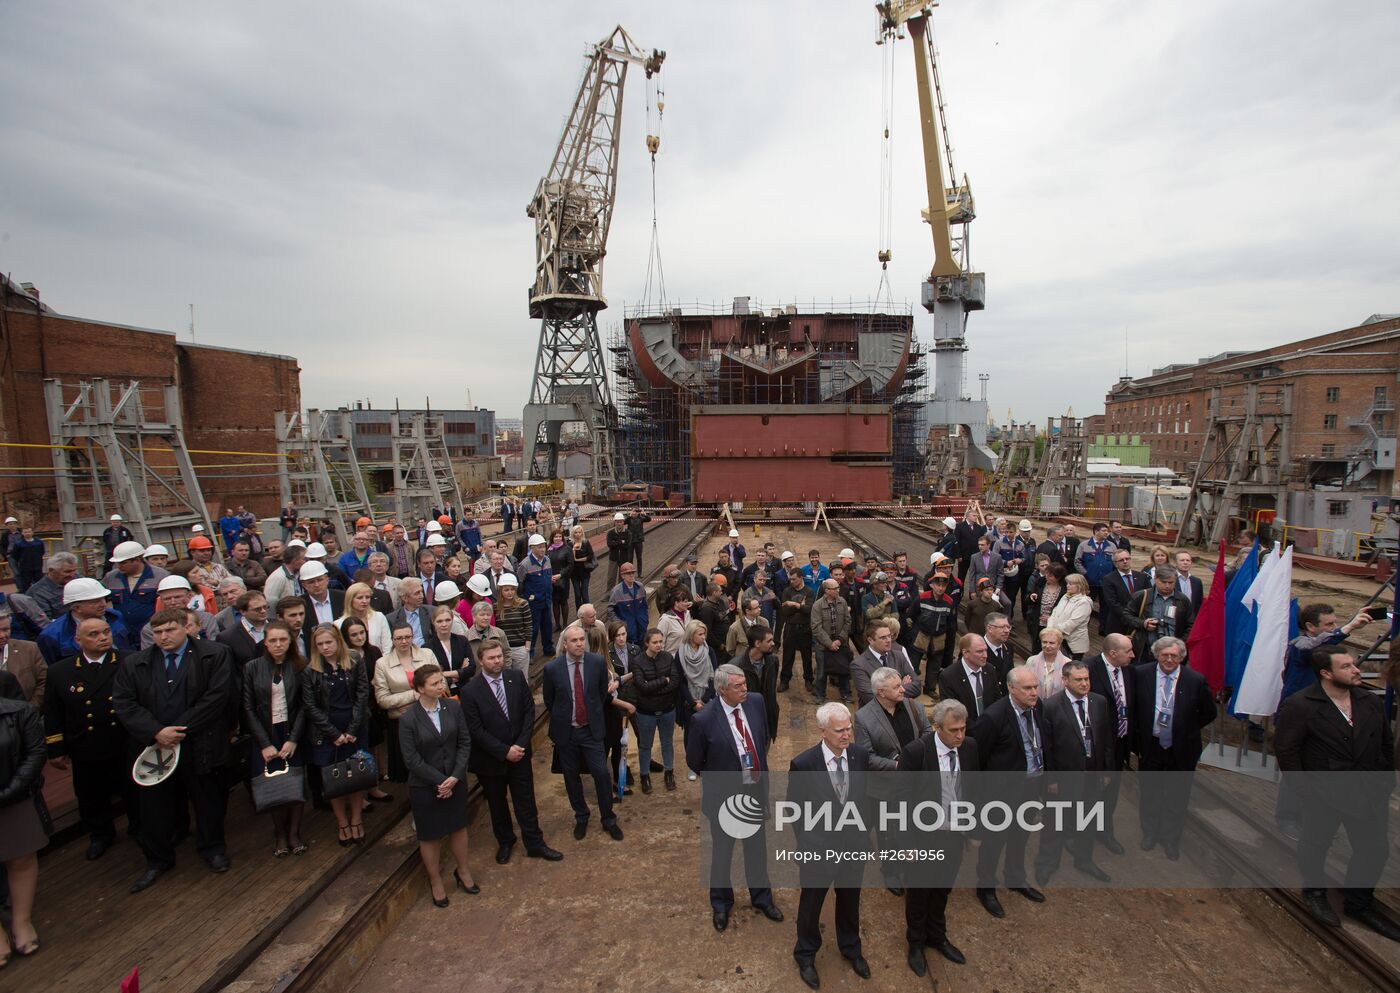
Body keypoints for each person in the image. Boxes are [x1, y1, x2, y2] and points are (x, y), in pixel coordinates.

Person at [1276, 647, 1400, 939]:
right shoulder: (1301, 705)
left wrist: (1385, 782)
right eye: (1347, 666)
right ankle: (1315, 891)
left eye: (1355, 665)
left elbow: (1385, 742)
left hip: (1368, 792)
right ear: (1326, 674)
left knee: (1374, 849)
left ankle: (1359, 902)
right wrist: (1303, 790)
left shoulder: (1368, 701)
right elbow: (1286, 750)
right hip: (1323, 794)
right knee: (1316, 845)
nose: (1356, 670)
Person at [114, 607, 234, 892]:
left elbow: (216, 697)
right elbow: (125, 702)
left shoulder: (213, 655)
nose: (164, 637)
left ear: (185, 627)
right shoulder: (136, 663)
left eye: (170, 630)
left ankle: (212, 848)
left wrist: (179, 729)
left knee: (207, 799)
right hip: (155, 746)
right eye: (157, 632)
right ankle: (158, 858)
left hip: (199, 742)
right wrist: (156, 731)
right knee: (154, 807)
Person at [685, 663, 783, 932]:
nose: (745, 690)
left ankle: (761, 898)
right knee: (722, 853)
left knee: (756, 849)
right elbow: (694, 759)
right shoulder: (703, 719)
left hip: (754, 792)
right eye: (739, 686)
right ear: (722, 689)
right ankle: (721, 904)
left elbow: (761, 736)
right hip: (724, 800)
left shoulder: (756, 702)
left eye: (745, 685)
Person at [789, 702, 870, 990]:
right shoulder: (803, 764)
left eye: (849, 728)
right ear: (823, 731)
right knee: (811, 905)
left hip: (853, 848)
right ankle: (806, 955)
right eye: (840, 730)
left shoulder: (860, 756)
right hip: (819, 851)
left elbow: (865, 801)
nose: (847, 735)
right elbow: (795, 811)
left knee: (850, 902)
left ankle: (851, 948)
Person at [461, 638, 563, 864]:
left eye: (499, 657)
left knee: (525, 801)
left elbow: (529, 711)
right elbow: (475, 730)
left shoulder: (515, 677)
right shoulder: (470, 691)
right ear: (481, 661)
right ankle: (506, 841)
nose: (497, 661)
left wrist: (521, 744)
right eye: (491, 658)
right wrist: (504, 751)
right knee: (497, 804)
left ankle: (535, 843)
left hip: (519, 753)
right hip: (491, 759)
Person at [42, 615, 136, 861]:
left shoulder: (129, 661)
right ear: (78, 639)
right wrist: (55, 748)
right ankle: (100, 834)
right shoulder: (60, 671)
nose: (103, 637)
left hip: (124, 742)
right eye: (94, 634)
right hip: (85, 745)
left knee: (133, 792)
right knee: (90, 795)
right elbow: (53, 712)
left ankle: (139, 828)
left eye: (106, 631)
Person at [898, 698, 976, 973]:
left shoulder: (969, 748)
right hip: (924, 838)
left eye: (963, 729)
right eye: (953, 730)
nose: (960, 735)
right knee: (919, 892)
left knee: (942, 889)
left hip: (954, 834)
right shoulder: (917, 752)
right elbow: (901, 801)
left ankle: (937, 936)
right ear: (937, 728)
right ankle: (916, 943)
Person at [969, 665, 1047, 918]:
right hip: (1001, 793)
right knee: (994, 842)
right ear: (1012, 689)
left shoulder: (1037, 708)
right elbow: (977, 758)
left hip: (1031, 787)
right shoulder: (993, 717)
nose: (1034, 692)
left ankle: (1015, 878)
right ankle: (986, 887)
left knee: (1020, 837)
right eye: (1027, 688)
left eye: (1035, 686)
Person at [399, 663, 479, 907]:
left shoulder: (453, 707)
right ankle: (435, 880)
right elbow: (411, 759)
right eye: (434, 684)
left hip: (455, 780)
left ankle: (463, 871)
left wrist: (455, 776)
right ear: (420, 688)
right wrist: (439, 781)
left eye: (441, 681)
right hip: (425, 787)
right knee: (430, 835)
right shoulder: (408, 719)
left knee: (458, 828)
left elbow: (464, 742)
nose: (440, 686)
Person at [1131, 637, 1216, 860]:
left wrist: (1185, 729)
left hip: (1182, 749)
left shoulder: (1195, 680)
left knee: (1177, 795)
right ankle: (1149, 832)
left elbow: (1209, 712)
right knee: (1150, 792)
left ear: (1182, 657)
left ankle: (1171, 838)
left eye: (1174, 656)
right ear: (1156, 655)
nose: (1169, 659)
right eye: (1165, 655)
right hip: (1151, 746)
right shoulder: (1141, 674)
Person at [1034, 659, 1113, 884]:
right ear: (1065, 681)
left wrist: (1107, 771)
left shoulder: (1099, 702)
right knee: (1055, 825)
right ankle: (1047, 864)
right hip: (1063, 777)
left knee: (1087, 821)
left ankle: (1084, 860)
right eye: (1078, 680)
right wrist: (1051, 780)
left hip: (1092, 775)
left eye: (1086, 679)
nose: (1084, 684)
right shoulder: (1050, 706)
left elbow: (1106, 739)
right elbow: (1046, 748)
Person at [542, 625, 622, 841]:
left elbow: (599, 694)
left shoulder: (596, 663)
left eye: (581, 639)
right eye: (574, 640)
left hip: (591, 731)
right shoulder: (552, 669)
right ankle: (581, 817)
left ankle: (609, 819)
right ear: (565, 644)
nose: (579, 643)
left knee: (601, 774)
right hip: (566, 734)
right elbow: (550, 701)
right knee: (571, 777)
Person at [243, 620, 307, 857]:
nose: (278, 645)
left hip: (292, 733)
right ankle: (279, 833)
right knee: (273, 784)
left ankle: (294, 832)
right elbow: (248, 708)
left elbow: (304, 706)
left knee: (295, 780)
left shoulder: (300, 666)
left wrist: (294, 739)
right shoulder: (252, 667)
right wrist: (264, 743)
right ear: (265, 643)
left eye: (283, 640)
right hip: (266, 733)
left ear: (290, 642)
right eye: (273, 640)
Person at [304, 623, 370, 846]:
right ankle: (342, 822)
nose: (325, 647)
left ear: (338, 641)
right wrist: (333, 734)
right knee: (333, 779)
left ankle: (356, 819)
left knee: (356, 776)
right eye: (320, 644)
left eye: (328, 642)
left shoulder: (353, 660)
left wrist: (352, 729)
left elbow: (362, 693)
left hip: (354, 728)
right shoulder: (311, 669)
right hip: (326, 733)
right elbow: (311, 706)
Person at [0, 683, 46, 961]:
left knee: (21, 860)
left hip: (13, 800)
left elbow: (35, 754)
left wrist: (8, 792)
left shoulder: (19, 711)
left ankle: (21, 921)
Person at [1085, 633, 1136, 853]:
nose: (1133, 655)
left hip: (1119, 744)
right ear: (1113, 653)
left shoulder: (1130, 670)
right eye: (1129, 651)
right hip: (1095, 745)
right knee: (1087, 793)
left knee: (1110, 792)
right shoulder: (1089, 669)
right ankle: (1079, 835)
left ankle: (1105, 831)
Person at [375, 623, 436, 784]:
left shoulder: (427, 654)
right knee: (411, 771)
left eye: (407, 637)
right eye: (399, 638)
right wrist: (415, 695)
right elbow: (382, 700)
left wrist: (414, 696)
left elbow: (439, 682)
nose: (404, 641)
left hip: (430, 718)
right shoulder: (382, 664)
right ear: (392, 640)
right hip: (402, 722)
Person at [40, 576, 134, 664]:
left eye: (103, 599)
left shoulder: (116, 617)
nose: (103, 604)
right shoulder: (52, 636)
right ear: (77, 608)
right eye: (95, 601)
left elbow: (132, 645)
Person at [632, 629, 682, 793]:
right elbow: (642, 687)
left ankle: (669, 773)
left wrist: (654, 687)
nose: (659, 645)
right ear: (647, 643)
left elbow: (674, 682)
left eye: (661, 641)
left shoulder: (667, 657)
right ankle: (644, 776)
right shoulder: (638, 661)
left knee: (667, 743)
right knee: (645, 745)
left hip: (667, 709)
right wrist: (663, 681)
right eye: (655, 642)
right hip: (646, 712)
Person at [1122, 567, 1193, 661]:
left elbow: (1191, 624)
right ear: (1155, 579)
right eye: (1163, 582)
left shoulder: (1182, 600)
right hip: (1146, 651)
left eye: (1171, 582)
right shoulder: (1142, 596)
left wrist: (1181, 643)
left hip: (1172, 653)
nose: (1167, 586)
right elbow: (1126, 615)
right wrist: (1143, 623)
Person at [939, 632, 1005, 720]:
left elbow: (996, 700)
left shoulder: (989, 669)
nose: (985, 655)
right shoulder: (949, 676)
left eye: (986, 650)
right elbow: (951, 712)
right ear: (965, 653)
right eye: (980, 651)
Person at [733, 623, 780, 744]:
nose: (773, 644)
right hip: (746, 721)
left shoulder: (773, 661)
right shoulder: (736, 667)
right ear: (757, 644)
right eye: (769, 641)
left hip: (767, 720)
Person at [810, 579, 852, 704]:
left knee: (843, 670)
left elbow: (848, 622)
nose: (838, 590)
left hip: (841, 644)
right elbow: (816, 627)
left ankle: (846, 693)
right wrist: (829, 643)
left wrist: (839, 640)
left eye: (838, 588)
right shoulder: (817, 605)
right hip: (823, 646)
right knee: (821, 672)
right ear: (827, 590)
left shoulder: (842, 602)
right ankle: (820, 695)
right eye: (835, 589)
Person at [778, 567, 815, 693]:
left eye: (794, 579)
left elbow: (809, 610)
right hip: (790, 628)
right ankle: (784, 680)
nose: (791, 581)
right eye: (790, 579)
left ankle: (809, 680)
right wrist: (801, 606)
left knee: (807, 656)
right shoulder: (787, 591)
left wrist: (794, 604)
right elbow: (785, 611)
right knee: (787, 655)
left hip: (805, 628)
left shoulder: (809, 591)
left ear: (801, 578)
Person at [425, 605, 476, 692]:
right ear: (433, 622)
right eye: (439, 621)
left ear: (452, 620)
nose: (444, 624)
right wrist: (459, 673)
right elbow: (430, 676)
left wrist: (443, 673)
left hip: (464, 689)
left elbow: (471, 669)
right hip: (442, 692)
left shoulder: (462, 641)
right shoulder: (427, 647)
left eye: (447, 620)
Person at [1099, 548, 1148, 637]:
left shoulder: (1142, 577)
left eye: (1127, 559)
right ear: (1115, 564)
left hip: (1140, 623)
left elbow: (1148, 596)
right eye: (1121, 560)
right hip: (1119, 623)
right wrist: (1129, 617)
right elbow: (1112, 602)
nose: (1125, 562)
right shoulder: (1109, 579)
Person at [0, 611, 46, 706]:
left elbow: (45, 681)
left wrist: (29, 710)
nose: (2, 636)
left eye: (6, 630)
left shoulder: (29, 649)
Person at [494, 575, 533, 676]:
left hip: (520, 647)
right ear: (501, 591)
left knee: (522, 679)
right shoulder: (496, 607)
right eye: (506, 590)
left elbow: (528, 626)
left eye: (512, 589)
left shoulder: (523, 604)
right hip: (503, 649)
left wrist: (527, 648)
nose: (510, 592)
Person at [1046, 573, 1093, 658]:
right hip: (1058, 638)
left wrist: (1054, 631)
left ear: (1079, 585)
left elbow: (1073, 622)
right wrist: (1049, 628)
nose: (1067, 586)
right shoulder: (1065, 596)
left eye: (1071, 584)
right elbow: (1054, 613)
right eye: (1067, 583)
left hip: (1073, 643)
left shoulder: (1084, 602)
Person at [605, 560, 649, 648]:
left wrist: (645, 619)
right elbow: (610, 611)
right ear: (622, 576)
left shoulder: (640, 587)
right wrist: (621, 624)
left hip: (642, 628)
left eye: (633, 572)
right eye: (628, 573)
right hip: (628, 633)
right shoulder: (617, 591)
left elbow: (645, 605)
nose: (631, 575)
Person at [1024, 627, 1072, 699]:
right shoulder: (1031, 661)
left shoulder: (1067, 663)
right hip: (1035, 704)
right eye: (1044, 642)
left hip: (1058, 706)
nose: (1047, 646)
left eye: (1052, 643)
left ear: (1059, 645)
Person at [385, 578, 433, 649]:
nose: (422, 596)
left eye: (421, 592)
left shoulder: (432, 612)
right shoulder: (392, 619)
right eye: (417, 593)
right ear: (405, 598)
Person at [1073, 523, 1116, 601]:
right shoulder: (1084, 545)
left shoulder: (1112, 546)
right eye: (1104, 531)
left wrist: (1112, 575)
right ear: (1096, 532)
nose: (1107, 533)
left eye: (1107, 531)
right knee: (1087, 603)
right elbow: (1077, 562)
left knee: (1106, 605)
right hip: (1089, 582)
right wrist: (1086, 573)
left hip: (1106, 582)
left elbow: (1115, 562)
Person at [656, 588, 691, 656]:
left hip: (687, 656)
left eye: (687, 601)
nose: (687, 604)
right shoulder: (665, 620)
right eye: (685, 601)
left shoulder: (687, 614)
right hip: (671, 659)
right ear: (676, 603)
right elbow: (660, 643)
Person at [604, 513, 632, 589]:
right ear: (615, 522)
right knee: (611, 578)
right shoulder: (610, 533)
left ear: (623, 522)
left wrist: (615, 542)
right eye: (617, 522)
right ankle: (609, 594)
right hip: (613, 558)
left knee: (622, 577)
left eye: (620, 522)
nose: (619, 523)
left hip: (624, 559)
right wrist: (620, 541)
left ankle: (622, 593)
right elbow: (609, 544)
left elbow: (627, 545)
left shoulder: (628, 533)